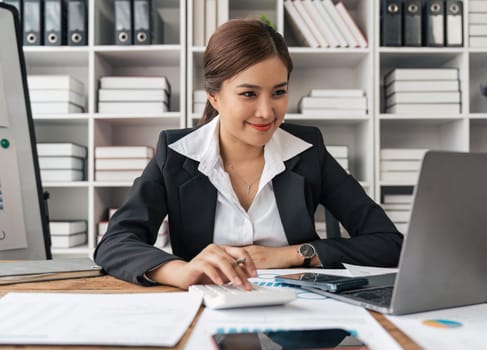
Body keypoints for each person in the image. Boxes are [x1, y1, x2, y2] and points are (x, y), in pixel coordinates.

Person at [94, 18, 403, 290]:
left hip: (299, 316)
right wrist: (181, 271)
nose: (267, 112)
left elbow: (389, 243)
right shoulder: (176, 155)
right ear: (214, 96)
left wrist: (290, 254)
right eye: (248, 94)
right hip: (208, 310)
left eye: (279, 92)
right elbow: (116, 242)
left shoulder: (308, 151)